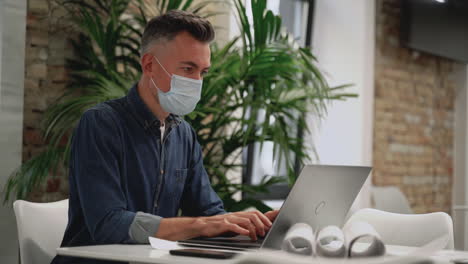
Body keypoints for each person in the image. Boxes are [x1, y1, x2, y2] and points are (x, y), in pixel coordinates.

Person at [51, 10, 279, 264]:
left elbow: (208, 212)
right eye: (188, 68)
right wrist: (203, 224)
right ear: (149, 65)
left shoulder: (184, 135)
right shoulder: (101, 124)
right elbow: (108, 224)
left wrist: (252, 225)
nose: (197, 81)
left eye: (203, 72)